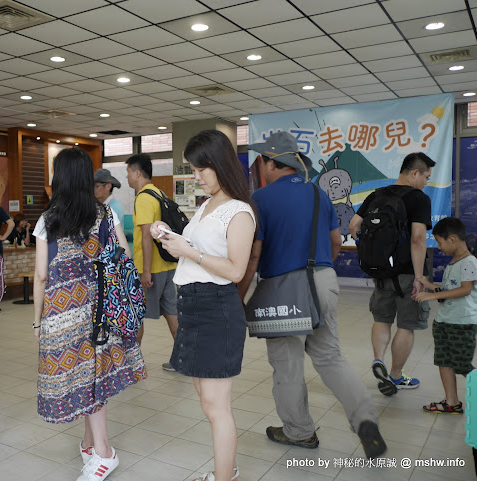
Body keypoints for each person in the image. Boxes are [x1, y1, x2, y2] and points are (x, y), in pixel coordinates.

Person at [238, 131, 386, 459]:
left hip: (283, 289)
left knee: (288, 365)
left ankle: (299, 432)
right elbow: (336, 241)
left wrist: (239, 296)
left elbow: (253, 255)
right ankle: (365, 420)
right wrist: (319, 273)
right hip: (325, 279)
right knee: (330, 356)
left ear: (271, 163)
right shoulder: (320, 195)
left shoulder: (260, 200)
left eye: (262, 159)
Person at [32, 147, 146, 481]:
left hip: (63, 313)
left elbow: (41, 276)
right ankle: (89, 443)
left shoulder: (49, 219)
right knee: (93, 375)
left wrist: (38, 320)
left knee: (84, 377)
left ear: (58, 177)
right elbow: (124, 256)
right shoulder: (105, 214)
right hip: (102, 312)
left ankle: (104, 452)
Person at [150, 130, 254, 481]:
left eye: (200, 170)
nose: (195, 177)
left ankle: (225, 476)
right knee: (205, 399)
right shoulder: (208, 206)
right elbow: (197, 252)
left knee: (216, 406)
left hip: (216, 309)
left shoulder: (239, 212)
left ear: (220, 165)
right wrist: (169, 236)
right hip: (192, 306)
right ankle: (229, 470)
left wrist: (189, 250)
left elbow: (236, 270)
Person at [349, 152, 435, 395]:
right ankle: (396, 376)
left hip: (381, 271)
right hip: (409, 272)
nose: (426, 182)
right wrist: (420, 276)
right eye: (426, 177)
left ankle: (379, 359)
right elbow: (418, 239)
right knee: (406, 325)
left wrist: (374, 250)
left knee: (382, 319)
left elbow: (353, 225)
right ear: (414, 172)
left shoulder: (377, 195)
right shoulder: (419, 199)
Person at [414, 217, 477, 414]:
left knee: (462, 365)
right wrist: (427, 283)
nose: (439, 247)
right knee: (444, 361)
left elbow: (464, 290)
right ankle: (452, 402)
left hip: (461, 323)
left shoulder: (469, 262)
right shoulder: (454, 262)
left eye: (440, 242)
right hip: (444, 321)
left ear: (451, 239)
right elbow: (449, 288)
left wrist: (433, 295)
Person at [126, 153, 178, 371]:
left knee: (136, 314)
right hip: (167, 265)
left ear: (137, 173)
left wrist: (145, 271)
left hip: (151, 268)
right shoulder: (159, 193)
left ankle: (132, 365)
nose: (127, 177)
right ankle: (182, 360)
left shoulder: (144, 198)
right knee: (172, 313)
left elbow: (146, 235)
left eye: (128, 172)